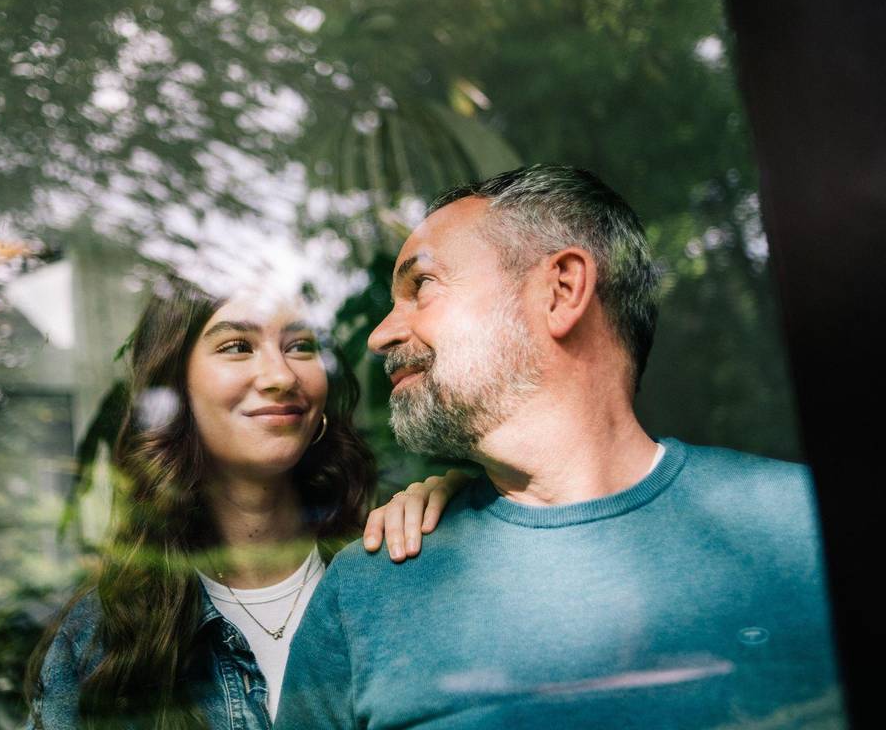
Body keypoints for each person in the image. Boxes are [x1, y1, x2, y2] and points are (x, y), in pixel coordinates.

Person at [276, 165, 844, 729]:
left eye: (421, 285)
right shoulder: (366, 593)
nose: (380, 335)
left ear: (561, 290)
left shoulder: (807, 527)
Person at [25, 278, 465, 729]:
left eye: (300, 346)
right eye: (237, 346)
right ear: (175, 389)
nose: (281, 376)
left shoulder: (398, 563)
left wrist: (472, 513)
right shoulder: (98, 641)